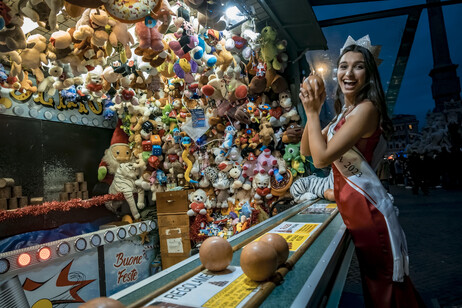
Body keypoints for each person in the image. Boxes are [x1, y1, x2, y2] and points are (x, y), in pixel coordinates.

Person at [299, 36, 425, 307]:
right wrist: (315, 109)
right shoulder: (344, 114)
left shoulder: (366, 110)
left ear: (369, 75)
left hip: (368, 213)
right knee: (376, 285)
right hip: (356, 212)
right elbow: (306, 151)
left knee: (385, 289)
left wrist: (311, 114)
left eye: (358, 67)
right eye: (343, 66)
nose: (348, 73)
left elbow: (320, 160)